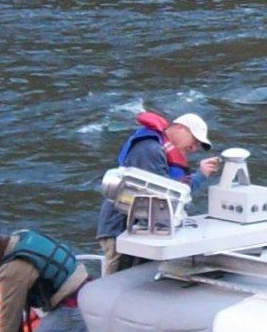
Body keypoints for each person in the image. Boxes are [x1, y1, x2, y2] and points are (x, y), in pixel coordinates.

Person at [94, 108, 221, 268]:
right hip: (120, 229)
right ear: (181, 128)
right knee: (119, 277)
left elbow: (173, 193)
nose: (194, 148)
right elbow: (158, 195)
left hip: (139, 230)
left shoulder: (160, 150)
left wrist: (201, 175)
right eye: (195, 141)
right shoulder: (149, 149)